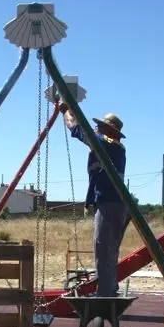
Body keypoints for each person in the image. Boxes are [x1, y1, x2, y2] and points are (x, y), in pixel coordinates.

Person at [56, 100, 128, 297]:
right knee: (109, 250)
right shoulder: (114, 148)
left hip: (109, 203)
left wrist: (65, 110)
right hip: (116, 203)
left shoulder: (106, 144)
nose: (96, 128)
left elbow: (77, 128)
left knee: (103, 249)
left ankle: (105, 293)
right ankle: (109, 289)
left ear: (107, 131)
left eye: (100, 126)